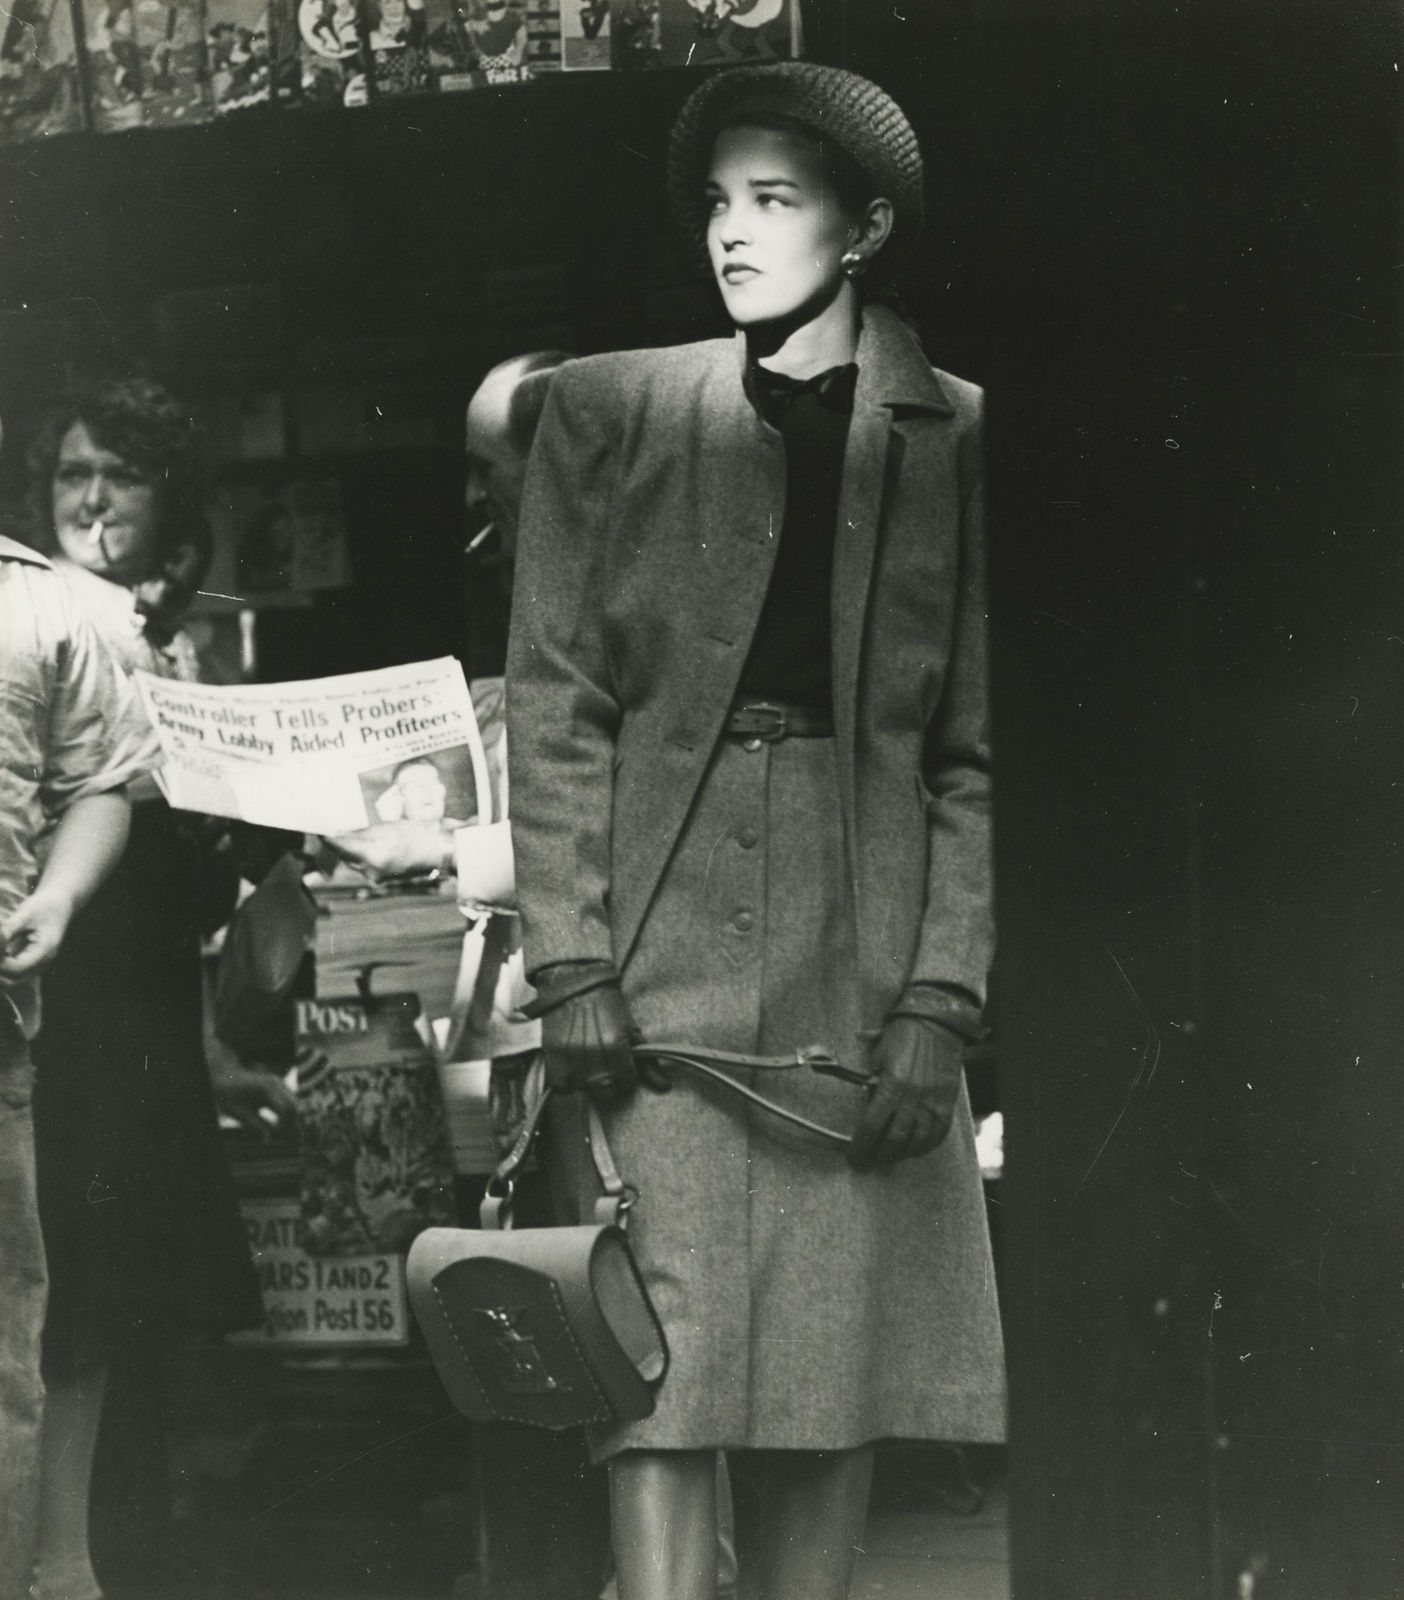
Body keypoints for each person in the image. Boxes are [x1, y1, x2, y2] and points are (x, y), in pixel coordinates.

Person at [505, 61, 1005, 1600]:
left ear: (861, 231)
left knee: (831, 1375)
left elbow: (973, 756)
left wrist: (938, 1002)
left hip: (856, 960)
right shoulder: (607, 412)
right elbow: (558, 701)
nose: (731, 232)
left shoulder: (959, 433)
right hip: (656, 959)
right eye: (718, 201)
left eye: (773, 201)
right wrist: (575, 962)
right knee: (651, 1369)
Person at [24, 377, 294, 1600]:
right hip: (40, 987)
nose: (87, 499)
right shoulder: (37, 622)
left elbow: (209, 882)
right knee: (55, 1275)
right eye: (71, 474)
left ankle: (98, 1551)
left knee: (108, 1288)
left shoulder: (183, 648)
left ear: (165, 506)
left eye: (115, 477)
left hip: (126, 1004)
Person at [0, 410, 155, 1600]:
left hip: (9, 1016)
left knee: (12, 1341)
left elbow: (105, 772)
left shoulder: (40, 607)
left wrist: (55, 896)